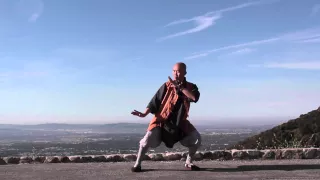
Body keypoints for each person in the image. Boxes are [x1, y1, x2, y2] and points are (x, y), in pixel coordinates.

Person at [130, 62, 202, 172]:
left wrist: (179, 87)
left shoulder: (191, 87)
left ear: (185, 72)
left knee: (197, 139)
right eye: (174, 71)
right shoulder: (167, 85)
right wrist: (144, 114)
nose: (175, 73)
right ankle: (137, 164)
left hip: (180, 123)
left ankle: (188, 162)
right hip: (161, 120)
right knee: (147, 139)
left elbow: (193, 98)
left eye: (178, 71)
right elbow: (155, 101)